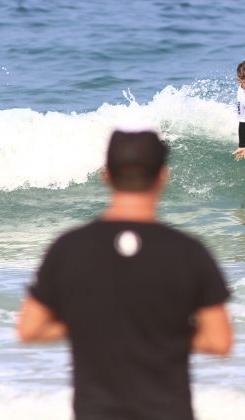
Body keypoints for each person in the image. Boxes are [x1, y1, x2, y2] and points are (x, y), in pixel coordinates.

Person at [17, 129, 233, 420]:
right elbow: (219, 342)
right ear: (163, 177)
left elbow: (30, 329)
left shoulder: (70, 247)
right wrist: (162, 331)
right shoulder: (188, 251)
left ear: (106, 175)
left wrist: (94, 327)